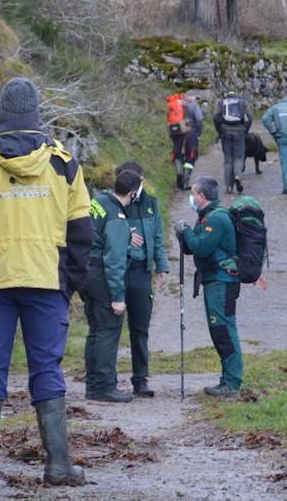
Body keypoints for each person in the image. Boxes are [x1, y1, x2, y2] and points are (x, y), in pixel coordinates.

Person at [0, 77, 92, 487]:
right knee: (47, 370)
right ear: (36, 114)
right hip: (47, 280)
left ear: (0, 113)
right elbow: (82, 231)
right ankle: (59, 465)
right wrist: (68, 284)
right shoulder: (64, 162)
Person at [173, 177, 241, 397]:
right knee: (218, 329)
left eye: (193, 193)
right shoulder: (205, 217)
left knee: (223, 329)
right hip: (213, 280)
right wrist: (184, 235)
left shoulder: (218, 218)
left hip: (223, 281)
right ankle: (227, 379)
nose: (191, 198)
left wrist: (186, 233)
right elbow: (193, 247)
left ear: (201, 196)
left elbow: (201, 247)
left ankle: (231, 382)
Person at [81, 170, 141, 403]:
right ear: (133, 193)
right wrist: (118, 296)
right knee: (108, 330)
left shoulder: (99, 201)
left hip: (86, 271)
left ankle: (92, 384)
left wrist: (123, 235)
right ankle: (105, 386)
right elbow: (114, 259)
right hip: (102, 276)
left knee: (95, 330)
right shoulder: (117, 216)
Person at [116, 161, 169, 397]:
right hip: (115, 270)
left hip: (141, 272)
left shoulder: (150, 204)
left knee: (140, 328)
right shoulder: (109, 203)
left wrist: (163, 266)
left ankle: (140, 379)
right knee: (109, 328)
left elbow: (157, 236)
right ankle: (105, 379)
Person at [212, 89, 252, 195]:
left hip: (226, 132)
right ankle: (238, 176)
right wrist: (245, 131)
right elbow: (249, 119)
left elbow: (216, 118)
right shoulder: (243, 103)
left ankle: (229, 187)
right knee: (238, 157)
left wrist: (220, 131)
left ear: (227, 95)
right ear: (236, 95)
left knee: (228, 159)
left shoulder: (221, 103)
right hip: (239, 133)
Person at [166, 92, 197, 191]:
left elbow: (169, 120)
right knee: (191, 156)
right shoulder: (192, 105)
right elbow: (200, 119)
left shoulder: (173, 105)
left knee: (177, 154)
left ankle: (179, 176)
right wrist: (198, 132)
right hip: (189, 133)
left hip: (176, 133)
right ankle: (185, 183)